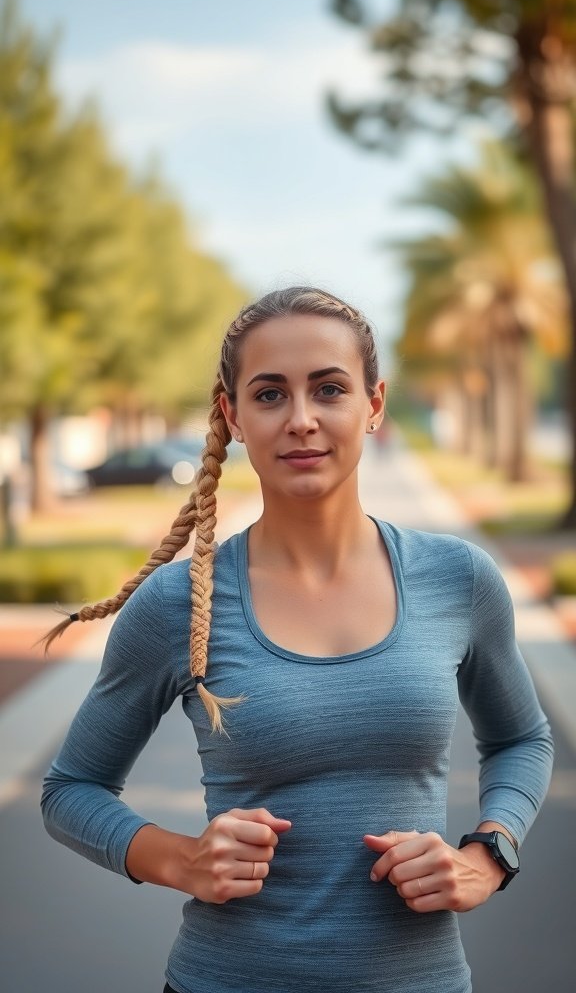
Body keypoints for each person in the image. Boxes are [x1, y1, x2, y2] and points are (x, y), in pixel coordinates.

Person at [41, 286, 553, 993]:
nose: (302, 420)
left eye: (330, 389)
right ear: (235, 416)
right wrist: (179, 858)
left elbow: (522, 738)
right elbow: (72, 788)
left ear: (373, 406)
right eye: (271, 394)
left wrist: (490, 852)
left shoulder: (458, 578)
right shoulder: (175, 604)